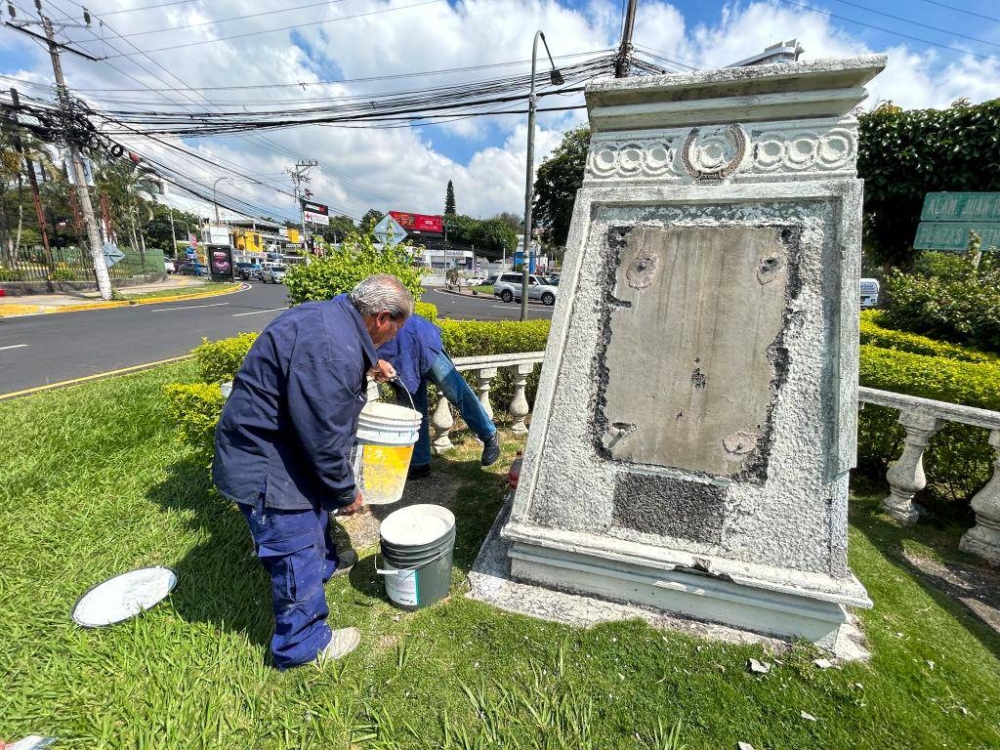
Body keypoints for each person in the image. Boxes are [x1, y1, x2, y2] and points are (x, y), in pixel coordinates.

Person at [212, 274, 410, 669]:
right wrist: (345, 490)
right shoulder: (332, 349)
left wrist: (367, 364)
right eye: (393, 333)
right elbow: (322, 435)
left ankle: (323, 567)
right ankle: (302, 645)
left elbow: (318, 376)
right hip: (267, 461)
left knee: (313, 518)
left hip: (279, 446)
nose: (389, 341)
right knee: (294, 543)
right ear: (381, 318)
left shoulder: (330, 318)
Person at [377, 313, 500, 478]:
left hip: (418, 339)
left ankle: (489, 434)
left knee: (455, 390)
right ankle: (419, 462)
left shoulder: (359, 311)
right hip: (396, 358)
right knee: (413, 410)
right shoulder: (348, 321)